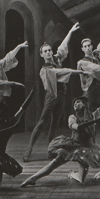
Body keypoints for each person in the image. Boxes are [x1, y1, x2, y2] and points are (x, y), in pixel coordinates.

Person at [20, 81, 100, 187]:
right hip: (73, 146)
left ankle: (73, 174)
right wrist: (93, 122)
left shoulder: (93, 115)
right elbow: (77, 127)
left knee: (82, 179)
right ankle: (32, 178)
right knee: (54, 164)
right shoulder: (72, 117)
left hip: (87, 148)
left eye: (78, 102)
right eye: (74, 103)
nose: (75, 104)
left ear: (84, 104)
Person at [23, 23, 84, 161]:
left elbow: (63, 46)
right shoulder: (45, 69)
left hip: (61, 95)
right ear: (41, 54)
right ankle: (29, 149)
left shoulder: (57, 59)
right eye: (45, 51)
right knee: (42, 121)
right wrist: (77, 71)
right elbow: (61, 72)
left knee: (55, 123)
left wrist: (70, 32)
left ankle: (51, 150)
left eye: (49, 50)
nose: (49, 52)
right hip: (52, 96)